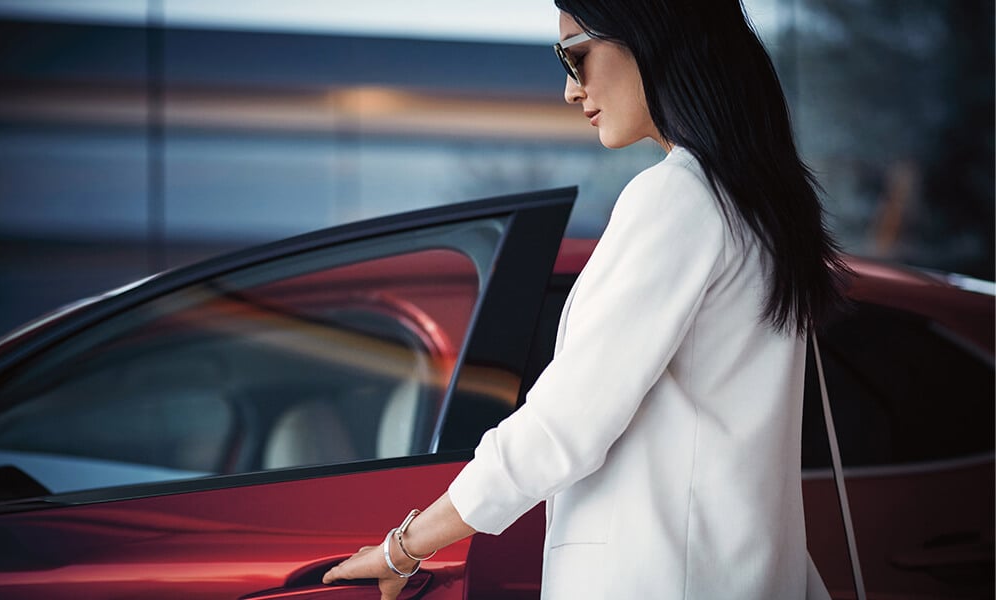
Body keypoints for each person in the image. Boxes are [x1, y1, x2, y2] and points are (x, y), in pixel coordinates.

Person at [322, 1, 849, 598]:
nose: (573, 91)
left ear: (652, 38)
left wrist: (404, 548)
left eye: (575, 55)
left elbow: (564, 426)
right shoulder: (759, 209)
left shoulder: (676, 198)